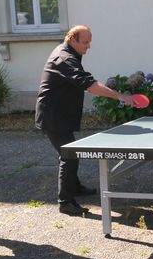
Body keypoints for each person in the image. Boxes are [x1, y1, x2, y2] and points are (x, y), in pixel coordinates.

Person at [35, 25, 134, 216]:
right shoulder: (64, 58)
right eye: (85, 42)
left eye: (90, 42)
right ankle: (65, 202)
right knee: (69, 155)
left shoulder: (70, 52)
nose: (88, 46)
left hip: (60, 113)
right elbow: (89, 84)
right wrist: (120, 96)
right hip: (53, 115)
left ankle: (75, 187)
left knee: (71, 152)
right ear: (73, 40)